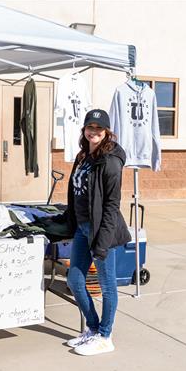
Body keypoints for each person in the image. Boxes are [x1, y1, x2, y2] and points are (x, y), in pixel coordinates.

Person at [62, 109, 131, 356]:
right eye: (90, 127)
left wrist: (101, 242)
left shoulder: (110, 162)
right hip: (82, 227)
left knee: (106, 284)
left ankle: (105, 335)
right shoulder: (83, 156)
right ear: (84, 130)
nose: (94, 132)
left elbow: (112, 205)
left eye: (98, 129)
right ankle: (92, 328)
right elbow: (77, 193)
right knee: (74, 280)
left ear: (107, 132)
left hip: (102, 231)